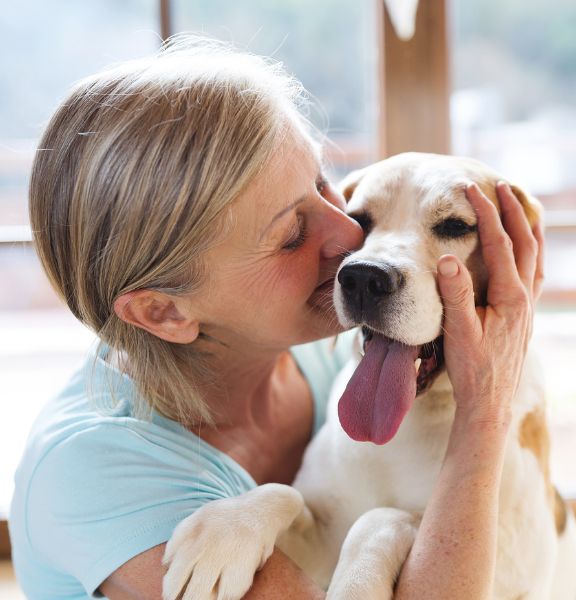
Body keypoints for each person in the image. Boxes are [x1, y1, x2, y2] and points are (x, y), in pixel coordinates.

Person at [9, 35, 544, 599]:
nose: (350, 240)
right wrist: (486, 407)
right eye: (291, 235)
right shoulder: (98, 479)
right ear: (163, 311)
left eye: (323, 187)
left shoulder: (322, 347)